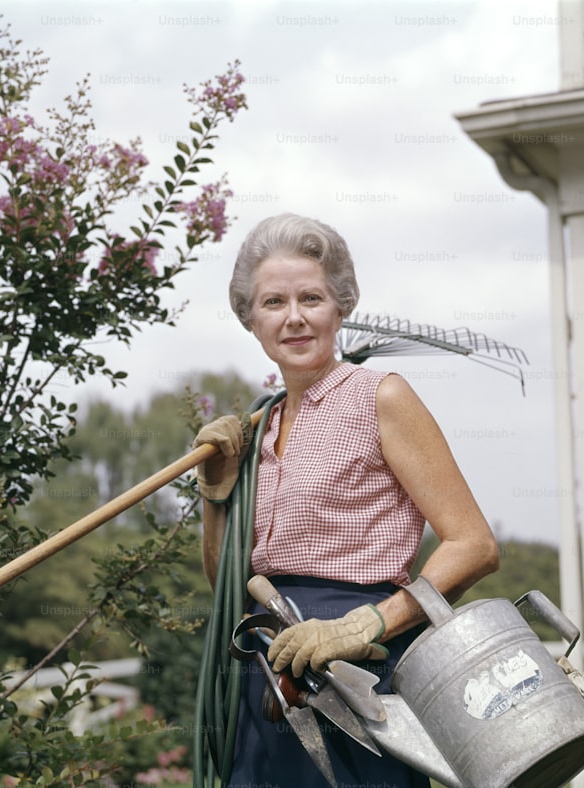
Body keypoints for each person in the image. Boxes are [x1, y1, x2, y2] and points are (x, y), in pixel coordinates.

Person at [194, 213, 500, 787]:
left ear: (340, 306)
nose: (294, 317)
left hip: (364, 668)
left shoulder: (380, 397)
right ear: (250, 320)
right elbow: (226, 590)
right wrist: (216, 493)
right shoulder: (256, 429)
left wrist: (365, 624)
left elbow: (474, 545)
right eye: (273, 302)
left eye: (311, 297)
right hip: (268, 668)